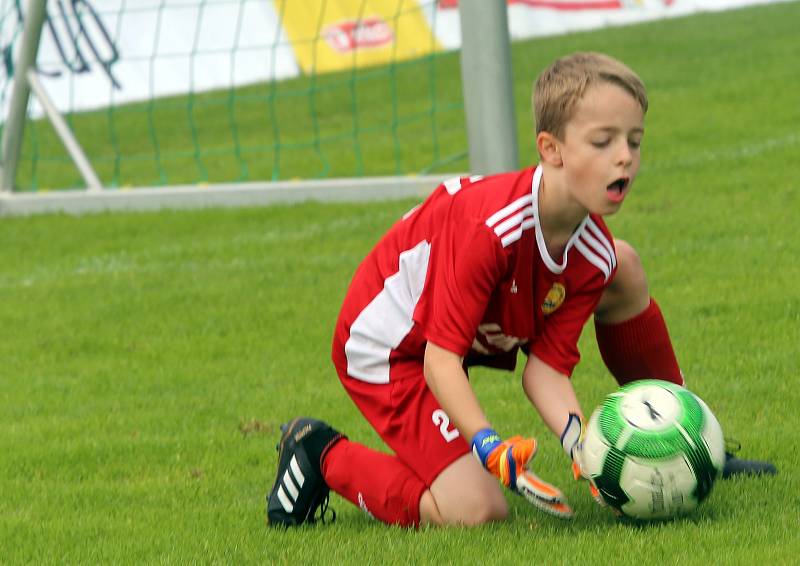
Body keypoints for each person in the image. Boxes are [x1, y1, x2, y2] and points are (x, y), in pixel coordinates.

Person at [266, 52, 775, 528]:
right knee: (477, 510)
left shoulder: (593, 249)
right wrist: (488, 445)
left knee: (625, 264)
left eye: (634, 141)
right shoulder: (489, 231)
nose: (624, 159)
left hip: (467, 337)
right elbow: (438, 361)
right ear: (550, 150)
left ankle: (688, 439)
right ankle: (318, 452)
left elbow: (547, 371)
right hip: (390, 347)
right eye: (603, 142)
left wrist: (584, 449)